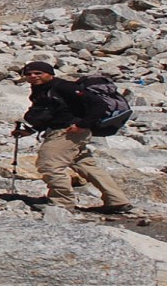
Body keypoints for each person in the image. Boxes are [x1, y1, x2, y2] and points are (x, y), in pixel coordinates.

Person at [12, 61, 134, 214]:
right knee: (86, 165)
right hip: (63, 130)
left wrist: (83, 124)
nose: (33, 76)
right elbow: (53, 113)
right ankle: (117, 200)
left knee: (49, 164)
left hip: (69, 132)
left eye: (38, 73)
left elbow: (98, 104)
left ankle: (62, 202)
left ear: (50, 74)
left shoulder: (63, 87)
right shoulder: (40, 90)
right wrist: (31, 130)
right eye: (29, 74)